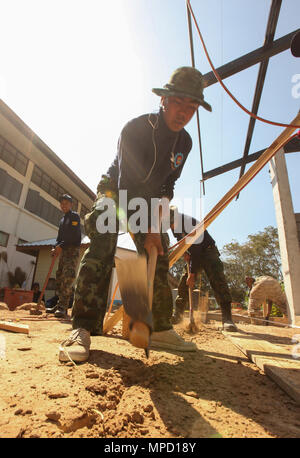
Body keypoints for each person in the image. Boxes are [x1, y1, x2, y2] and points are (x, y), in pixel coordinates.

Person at [58, 66, 212, 363]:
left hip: (149, 197)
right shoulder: (136, 129)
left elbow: (168, 184)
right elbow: (126, 185)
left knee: (159, 250)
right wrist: (149, 226)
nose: (184, 112)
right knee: (103, 236)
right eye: (179, 102)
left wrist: (155, 229)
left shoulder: (185, 143)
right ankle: (82, 328)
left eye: (192, 107)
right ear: (164, 100)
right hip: (116, 190)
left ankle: (159, 328)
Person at [170, 209, 238, 332]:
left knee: (217, 279)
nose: (171, 227)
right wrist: (185, 251)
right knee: (184, 282)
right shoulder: (174, 227)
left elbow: (196, 249)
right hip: (194, 254)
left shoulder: (189, 222)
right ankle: (178, 315)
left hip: (207, 251)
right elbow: (180, 241)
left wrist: (192, 273)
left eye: (171, 224)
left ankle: (227, 319)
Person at [51, 194, 81, 318]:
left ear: (70, 205)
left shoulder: (74, 216)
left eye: (66, 203)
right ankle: (59, 304)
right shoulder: (62, 220)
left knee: (67, 278)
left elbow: (73, 236)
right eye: (62, 203)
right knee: (59, 277)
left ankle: (63, 307)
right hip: (63, 251)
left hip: (72, 251)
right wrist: (55, 247)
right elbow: (59, 237)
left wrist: (60, 246)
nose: (63, 205)